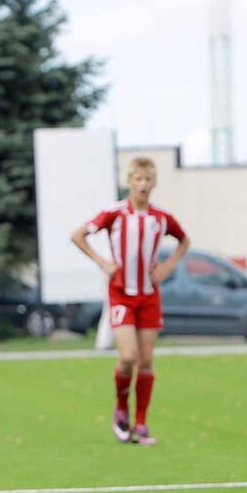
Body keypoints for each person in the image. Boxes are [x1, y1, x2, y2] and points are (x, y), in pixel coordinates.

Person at [70, 157, 190, 445]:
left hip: (149, 296)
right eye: (138, 179)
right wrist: (102, 261)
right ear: (130, 182)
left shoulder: (161, 218)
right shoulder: (114, 213)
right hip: (122, 293)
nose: (143, 185)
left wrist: (167, 267)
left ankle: (141, 422)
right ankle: (121, 410)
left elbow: (184, 240)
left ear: (154, 183)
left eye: (148, 179)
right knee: (128, 357)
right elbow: (77, 235)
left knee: (146, 361)